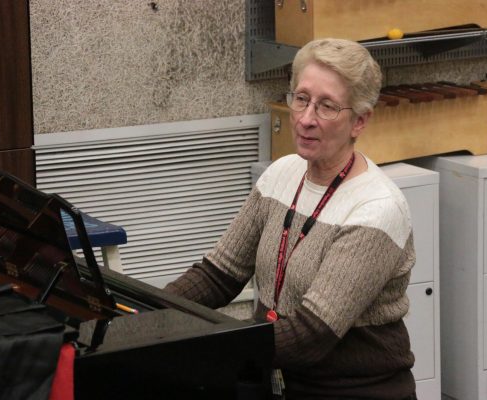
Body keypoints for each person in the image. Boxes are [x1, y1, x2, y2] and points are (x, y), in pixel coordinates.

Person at [165, 38, 416, 400]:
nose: (306, 119)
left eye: (327, 106)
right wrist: (148, 315)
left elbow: (309, 337)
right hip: (279, 382)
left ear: (360, 120)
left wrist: (200, 346)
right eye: (301, 99)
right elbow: (218, 274)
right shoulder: (282, 174)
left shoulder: (376, 209)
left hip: (355, 391)